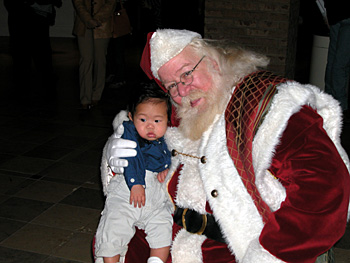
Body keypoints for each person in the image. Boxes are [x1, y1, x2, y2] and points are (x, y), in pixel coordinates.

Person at [103, 29, 350, 263]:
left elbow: (326, 190)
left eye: (187, 73)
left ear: (213, 61)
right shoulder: (180, 110)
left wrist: (269, 254)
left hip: (241, 247)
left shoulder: (273, 108)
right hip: (169, 233)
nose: (182, 90)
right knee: (112, 245)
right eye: (171, 86)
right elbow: (138, 119)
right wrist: (118, 144)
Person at [94, 83, 173, 263]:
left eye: (157, 121)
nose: (150, 127)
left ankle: (156, 260)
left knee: (162, 226)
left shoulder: (166, 138)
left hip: (155, 197)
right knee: (115, 225)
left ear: (167, 120)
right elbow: (132, 158)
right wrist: (136, 183)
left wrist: (167, 169)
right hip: (127, 191)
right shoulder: (130, 132)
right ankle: (110, 260)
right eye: (143, 120)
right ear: (131, 117)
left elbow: (170, 155)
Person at [4, 0, 62, 102]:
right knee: (27, 59)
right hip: (25, 19)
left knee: (37, 59)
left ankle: (39, 93)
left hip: (32, 20)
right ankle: (31, 93)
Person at [72, 0, 116, 109]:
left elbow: (111, 3)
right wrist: (88, 19)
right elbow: (78, 3)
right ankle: (85, 98)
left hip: (103, 25)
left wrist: (97, 19)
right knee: (86, 60)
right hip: (83, 24)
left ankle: (96, 95)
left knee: (100, 60)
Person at [324, 0, 350, 122]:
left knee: (333, 61)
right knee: (340, 64)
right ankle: (340, 106)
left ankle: (328, 102)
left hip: (334, 14)